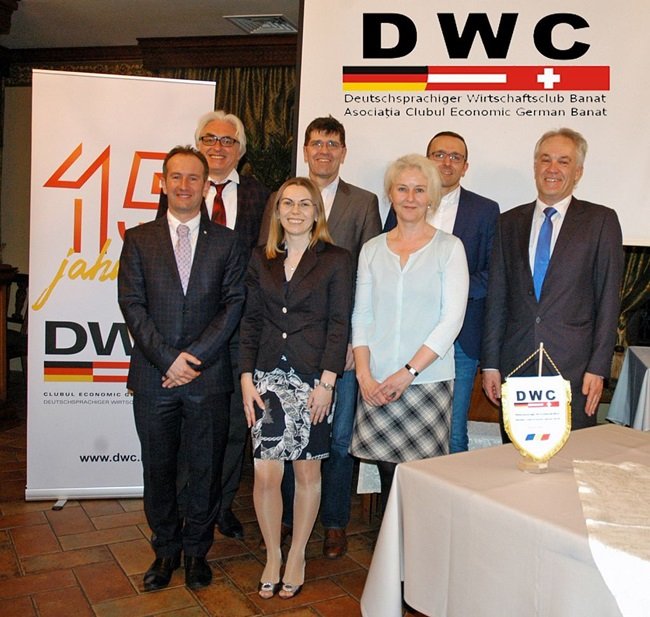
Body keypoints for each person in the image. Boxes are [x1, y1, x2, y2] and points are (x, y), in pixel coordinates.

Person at [118, 146, 246, 591]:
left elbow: (233, 305)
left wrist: (192, 359)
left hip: (207, 378)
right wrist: (168, 359)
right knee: (158, 470)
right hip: (154, 377)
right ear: (163, 182)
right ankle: (165, 550)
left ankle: (196, 552)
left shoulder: (228, 242)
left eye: (194, 178)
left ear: (206, 184)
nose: (184, 185)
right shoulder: (139, 239)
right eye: (176, 177)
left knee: (206, 469)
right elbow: (132, 304)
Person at [258, 116, 381, 559]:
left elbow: (368, 276)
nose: (323, 151)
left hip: (337, 346)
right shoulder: (281, 198)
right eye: (316, 143)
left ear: (343, 152)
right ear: (305, 150)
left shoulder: (363, 202)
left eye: (332, 143)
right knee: (289, 439)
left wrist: (351, 342)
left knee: (338, 437)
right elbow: (267, 266)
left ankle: (334, 521)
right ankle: (291, 520)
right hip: (285, 349)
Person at [157, 110, 269, 539]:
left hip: (240, 329)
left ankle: (220, 506)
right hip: (185, 335)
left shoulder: (262, 195)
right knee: (187, 426)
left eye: (227, 140)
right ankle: (186, 507)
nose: (218, 147)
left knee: (233, 425)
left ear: (240, 150)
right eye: (209, 139)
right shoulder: (181, 191)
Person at [240, 177, 353, 599]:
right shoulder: (261, 258)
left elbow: (339, 322)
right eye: (287, 203)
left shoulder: (336, 260)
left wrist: (328, 382)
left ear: (316, 212)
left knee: (307, 471)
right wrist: (246, 377)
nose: (295, 211)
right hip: (267, 377)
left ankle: (298, 554)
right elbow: (250, 321)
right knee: (265, 473)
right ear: (277, 211)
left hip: (312, 380)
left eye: (305, 204)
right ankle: (273, 554)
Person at [481, 128, 624, 436]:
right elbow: (497, 298)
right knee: (515, 455)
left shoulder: (601, 221)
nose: (552, 168)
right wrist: (490, 364)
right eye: (545, 159)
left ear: (578, 171)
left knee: (570, 458)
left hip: (574, 369)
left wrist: (598, 367)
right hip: (516, 366)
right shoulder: (508, 222)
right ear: (535, 166)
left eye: (563, 161)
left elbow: (608, 300)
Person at [350, 154, 469, 510]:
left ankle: (418, 542)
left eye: (419, 190)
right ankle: (393, 541)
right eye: (402, 189)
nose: (410, 198)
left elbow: (451, 320)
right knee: (388, 473)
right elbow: (362, 315)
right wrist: (363, 375)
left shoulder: (450, 248)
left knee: (420, 478)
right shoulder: (371, 250)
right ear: (390, 193)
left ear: (431, 196)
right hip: (377, 379)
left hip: (427, 380)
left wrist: (408, 372)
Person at [384, 131, 499, 453]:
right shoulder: (405, 203)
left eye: (455, 157)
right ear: (427, 160)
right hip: (406, 335)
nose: (447, 162)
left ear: (465, 166)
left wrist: (449, 291)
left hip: (460, 338)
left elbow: (493, 273)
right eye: (439, 155)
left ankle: (451, 488)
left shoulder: (485, 210)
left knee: (452, 431)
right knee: (405, 428)